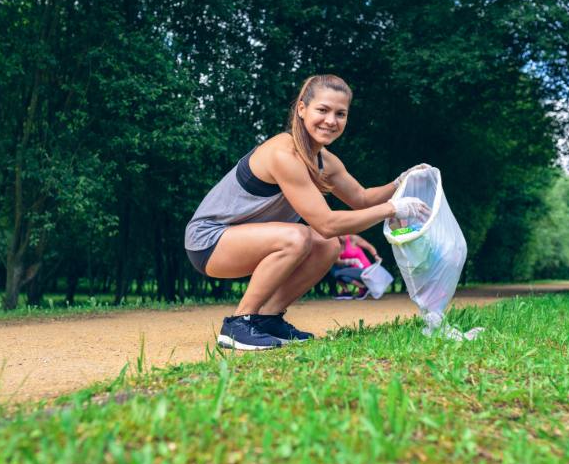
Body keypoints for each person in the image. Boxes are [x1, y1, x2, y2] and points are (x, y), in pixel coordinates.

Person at [184, 74, 430, 350]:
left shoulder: (324, 160)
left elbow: (361, 198)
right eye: (322, 110)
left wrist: (401, 182)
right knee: (299, 236)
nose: (331, 121)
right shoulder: (283, 153)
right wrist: (392, 209)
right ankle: (239, 324)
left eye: (340, 114)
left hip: (247, 242)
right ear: (302, 109)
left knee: (328, 245)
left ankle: (267, 319)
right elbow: (326, 222)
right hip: (209, 243)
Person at [332, 234, 380, 300]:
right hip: (351, 271)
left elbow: (369, 247)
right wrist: (349, 261)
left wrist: (375, 256)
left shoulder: (353, 239)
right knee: (340, 274)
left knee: (337, 273)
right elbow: (337, 261)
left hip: (364, 270)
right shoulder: (337, 245)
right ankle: (359, 289)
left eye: (341, 235)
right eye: (337, 237)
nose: (340, 238)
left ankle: (364, 288)